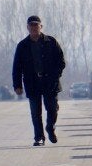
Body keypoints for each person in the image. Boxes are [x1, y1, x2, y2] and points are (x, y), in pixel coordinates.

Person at [12, 15, 66, 146]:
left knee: (52, 109)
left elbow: (61, 62)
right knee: (36, 113)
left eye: (36, 25)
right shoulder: (22, 46)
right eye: (31, 25)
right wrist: (17, 85)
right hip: (32, 83)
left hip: (50, 82)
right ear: (27, 27)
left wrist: (55, 76)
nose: (34, 28)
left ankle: (50, 127)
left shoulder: (51, 42)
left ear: (41, 26)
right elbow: (17, 67)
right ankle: (39, 137)